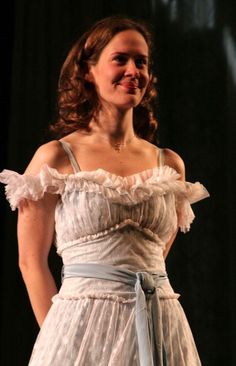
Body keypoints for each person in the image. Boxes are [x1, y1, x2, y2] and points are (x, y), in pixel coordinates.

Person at [0, 16, 209, 366]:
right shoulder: (56, 157)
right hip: (80, 330)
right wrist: (59, 338)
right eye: (120, 59)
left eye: (141, 62)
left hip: (160, 323)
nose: (133, 71)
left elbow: (154, 255)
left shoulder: (169, 164)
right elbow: (30, 261)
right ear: (88, 71)